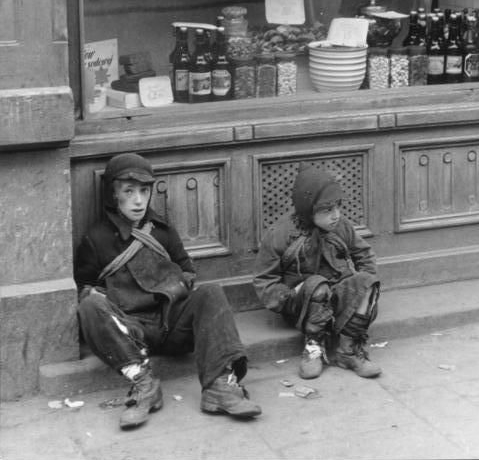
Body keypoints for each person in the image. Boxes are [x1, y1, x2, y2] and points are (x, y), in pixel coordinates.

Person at [74, 152, 261, 429]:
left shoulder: (161, 231)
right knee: (89, 307)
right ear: (113, 196)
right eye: (129, 191)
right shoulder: (96, 239)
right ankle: (143, 385)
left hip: (171, 323)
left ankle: (220, 386)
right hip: (131, 332)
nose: (138, 200)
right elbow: (86, 287)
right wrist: (91, 295)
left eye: (144, 191)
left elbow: (187, 270)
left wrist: (176, 282)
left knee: (212, 293)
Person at [253, 163, 381, 381]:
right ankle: (313, 347)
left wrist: (361, 294)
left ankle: (348, 350)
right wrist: (289, 296)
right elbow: (265, 282)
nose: (336, 215)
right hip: (302, 303)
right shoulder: (281, 234)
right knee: (317, 285)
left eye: (338, 207)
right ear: (308, 209)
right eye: (327, 210)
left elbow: (364, 256)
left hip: (337, 297)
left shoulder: (341, 227)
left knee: (367, 282)